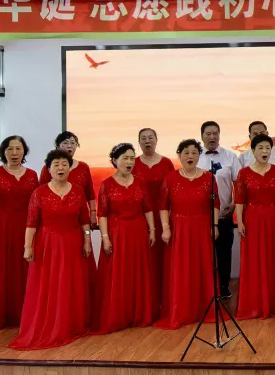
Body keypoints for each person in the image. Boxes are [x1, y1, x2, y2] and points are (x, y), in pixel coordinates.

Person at [10, 149, 94, 350]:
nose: (61, 168)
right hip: (47, 244)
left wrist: (87, 240)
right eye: (56, 164)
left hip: (73, 243)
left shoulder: (78, 191)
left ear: (69, 168)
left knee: (70, 284)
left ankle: (71, 323)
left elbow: (84, 221)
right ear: (48, 169)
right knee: (49, 285)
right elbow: (31, 223)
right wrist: (27, 247)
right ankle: (51, 324)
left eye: (64, 164)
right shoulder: (39, 193)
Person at [154, 139, 220, 329]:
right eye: (186, 153)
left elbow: (215, 204)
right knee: (181, 269)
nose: (190, 156)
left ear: (199, 156)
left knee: (203, 266)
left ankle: (204, 309)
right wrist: (166, 228)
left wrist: (214, 225)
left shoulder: (209, 177)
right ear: (179, 156)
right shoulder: (171, 178)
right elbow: (163, 206)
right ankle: (182, 310)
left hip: (202, 227)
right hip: (179, 228)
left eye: (194, 153)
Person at [93, 143, 156, 333]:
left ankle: (139, 314)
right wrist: (105, 237)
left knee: (138, 272)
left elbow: (147, 208)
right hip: (117, 233)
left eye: (131, 158)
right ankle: (119, 315)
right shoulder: (107, 184)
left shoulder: (140, 182)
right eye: (125, 158)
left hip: (138, 231)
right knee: (118, 274)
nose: (129, 162)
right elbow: (102, 214)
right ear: (115, 161)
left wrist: (152, 229)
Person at [235, 133, 275, 319]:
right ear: (253, 151)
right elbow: (239, 200)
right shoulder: (244, 173)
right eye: (261, 148)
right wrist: (240, 222)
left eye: (268, 148)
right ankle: (256, 304)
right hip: (253, 219)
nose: (265, 151)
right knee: (255, 260)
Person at [0, 135, 38, 329]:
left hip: (25, 225)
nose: (14, 153)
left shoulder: (32, 175)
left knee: (24, 267)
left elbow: (36, 204)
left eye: (18, 148)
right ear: (3, 152)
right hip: (0, 226)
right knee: (0, 268)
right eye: (10, 149)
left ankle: (24, 314)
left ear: (24, 151)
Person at [197, 120, 241, 299]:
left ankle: (224, 286)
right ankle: (205, 287)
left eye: (215, 133)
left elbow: (239, 184)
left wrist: (234, 205)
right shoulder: (195, 156)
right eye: (208, 134)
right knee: (203, 254)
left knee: (224, 252)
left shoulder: (230, 156)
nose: (212, 137)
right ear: (202, 136)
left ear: (219, 135)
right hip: (201, 216)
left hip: (224, 214)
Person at [134, 127, 174, 306]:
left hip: (163, 217)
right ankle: (147, 299)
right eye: (143, 138)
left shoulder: (166, 163)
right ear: (139, 142)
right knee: (146, 258)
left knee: (164, 257)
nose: (147, 141)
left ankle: (165, 298)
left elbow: (173, 190)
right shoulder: (133, 163)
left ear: (156, 140)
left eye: (150, 138)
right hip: (141, 218)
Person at [39, 131, 96, 226]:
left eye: (73, 143)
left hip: (79, 217)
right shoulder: (48, 168)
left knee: (86, 233)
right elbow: (41, 194)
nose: (70, 146)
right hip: (54, 217)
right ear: (58, 146)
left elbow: (90, 193)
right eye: (65, 143)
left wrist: (93, 213)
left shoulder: (83, 167)